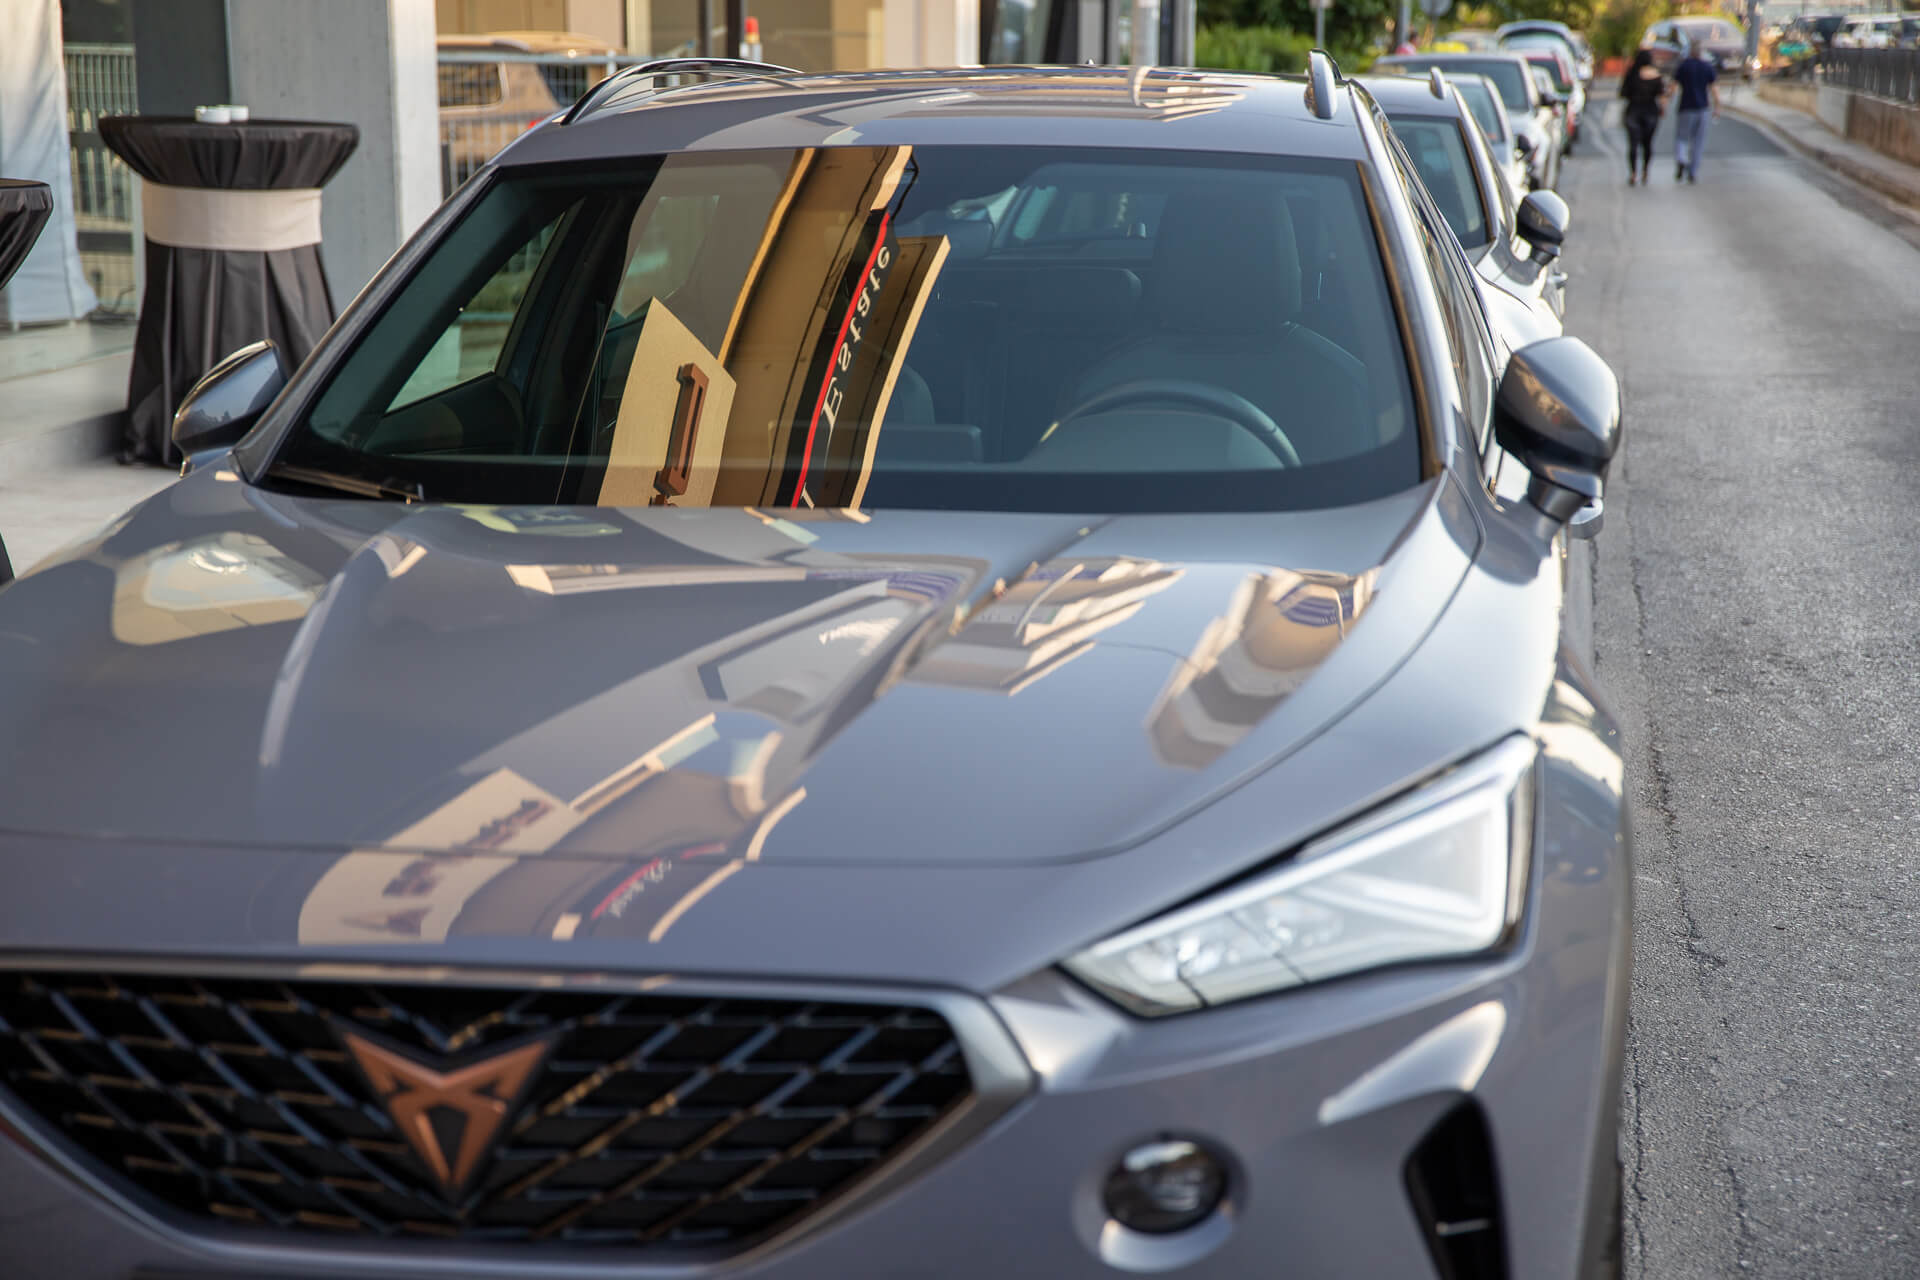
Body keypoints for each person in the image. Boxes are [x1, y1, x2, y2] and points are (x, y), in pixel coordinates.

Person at [1672, 39, 1721, 182]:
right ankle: (1693, 171)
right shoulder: (1707, 67)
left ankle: (1681, 159)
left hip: (1685, 107)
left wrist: (1666, 99)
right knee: (1698, 141)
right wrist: (1717, 107)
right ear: (1701, 53)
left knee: (1681, 137)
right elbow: (1714, 90)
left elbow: (1673, 87)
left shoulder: (1683, 66)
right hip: (1702, 108)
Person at [1620, 48, 1667, 186]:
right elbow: (1662, 96)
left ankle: (1633, 173)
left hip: (1633, 111)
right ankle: (1645, 171)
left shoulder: (1631, 73)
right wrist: (1663, 109)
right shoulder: (1656, 75)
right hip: (1651, 112)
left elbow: (1623, 93)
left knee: (1633, 144)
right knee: (1648, 144)